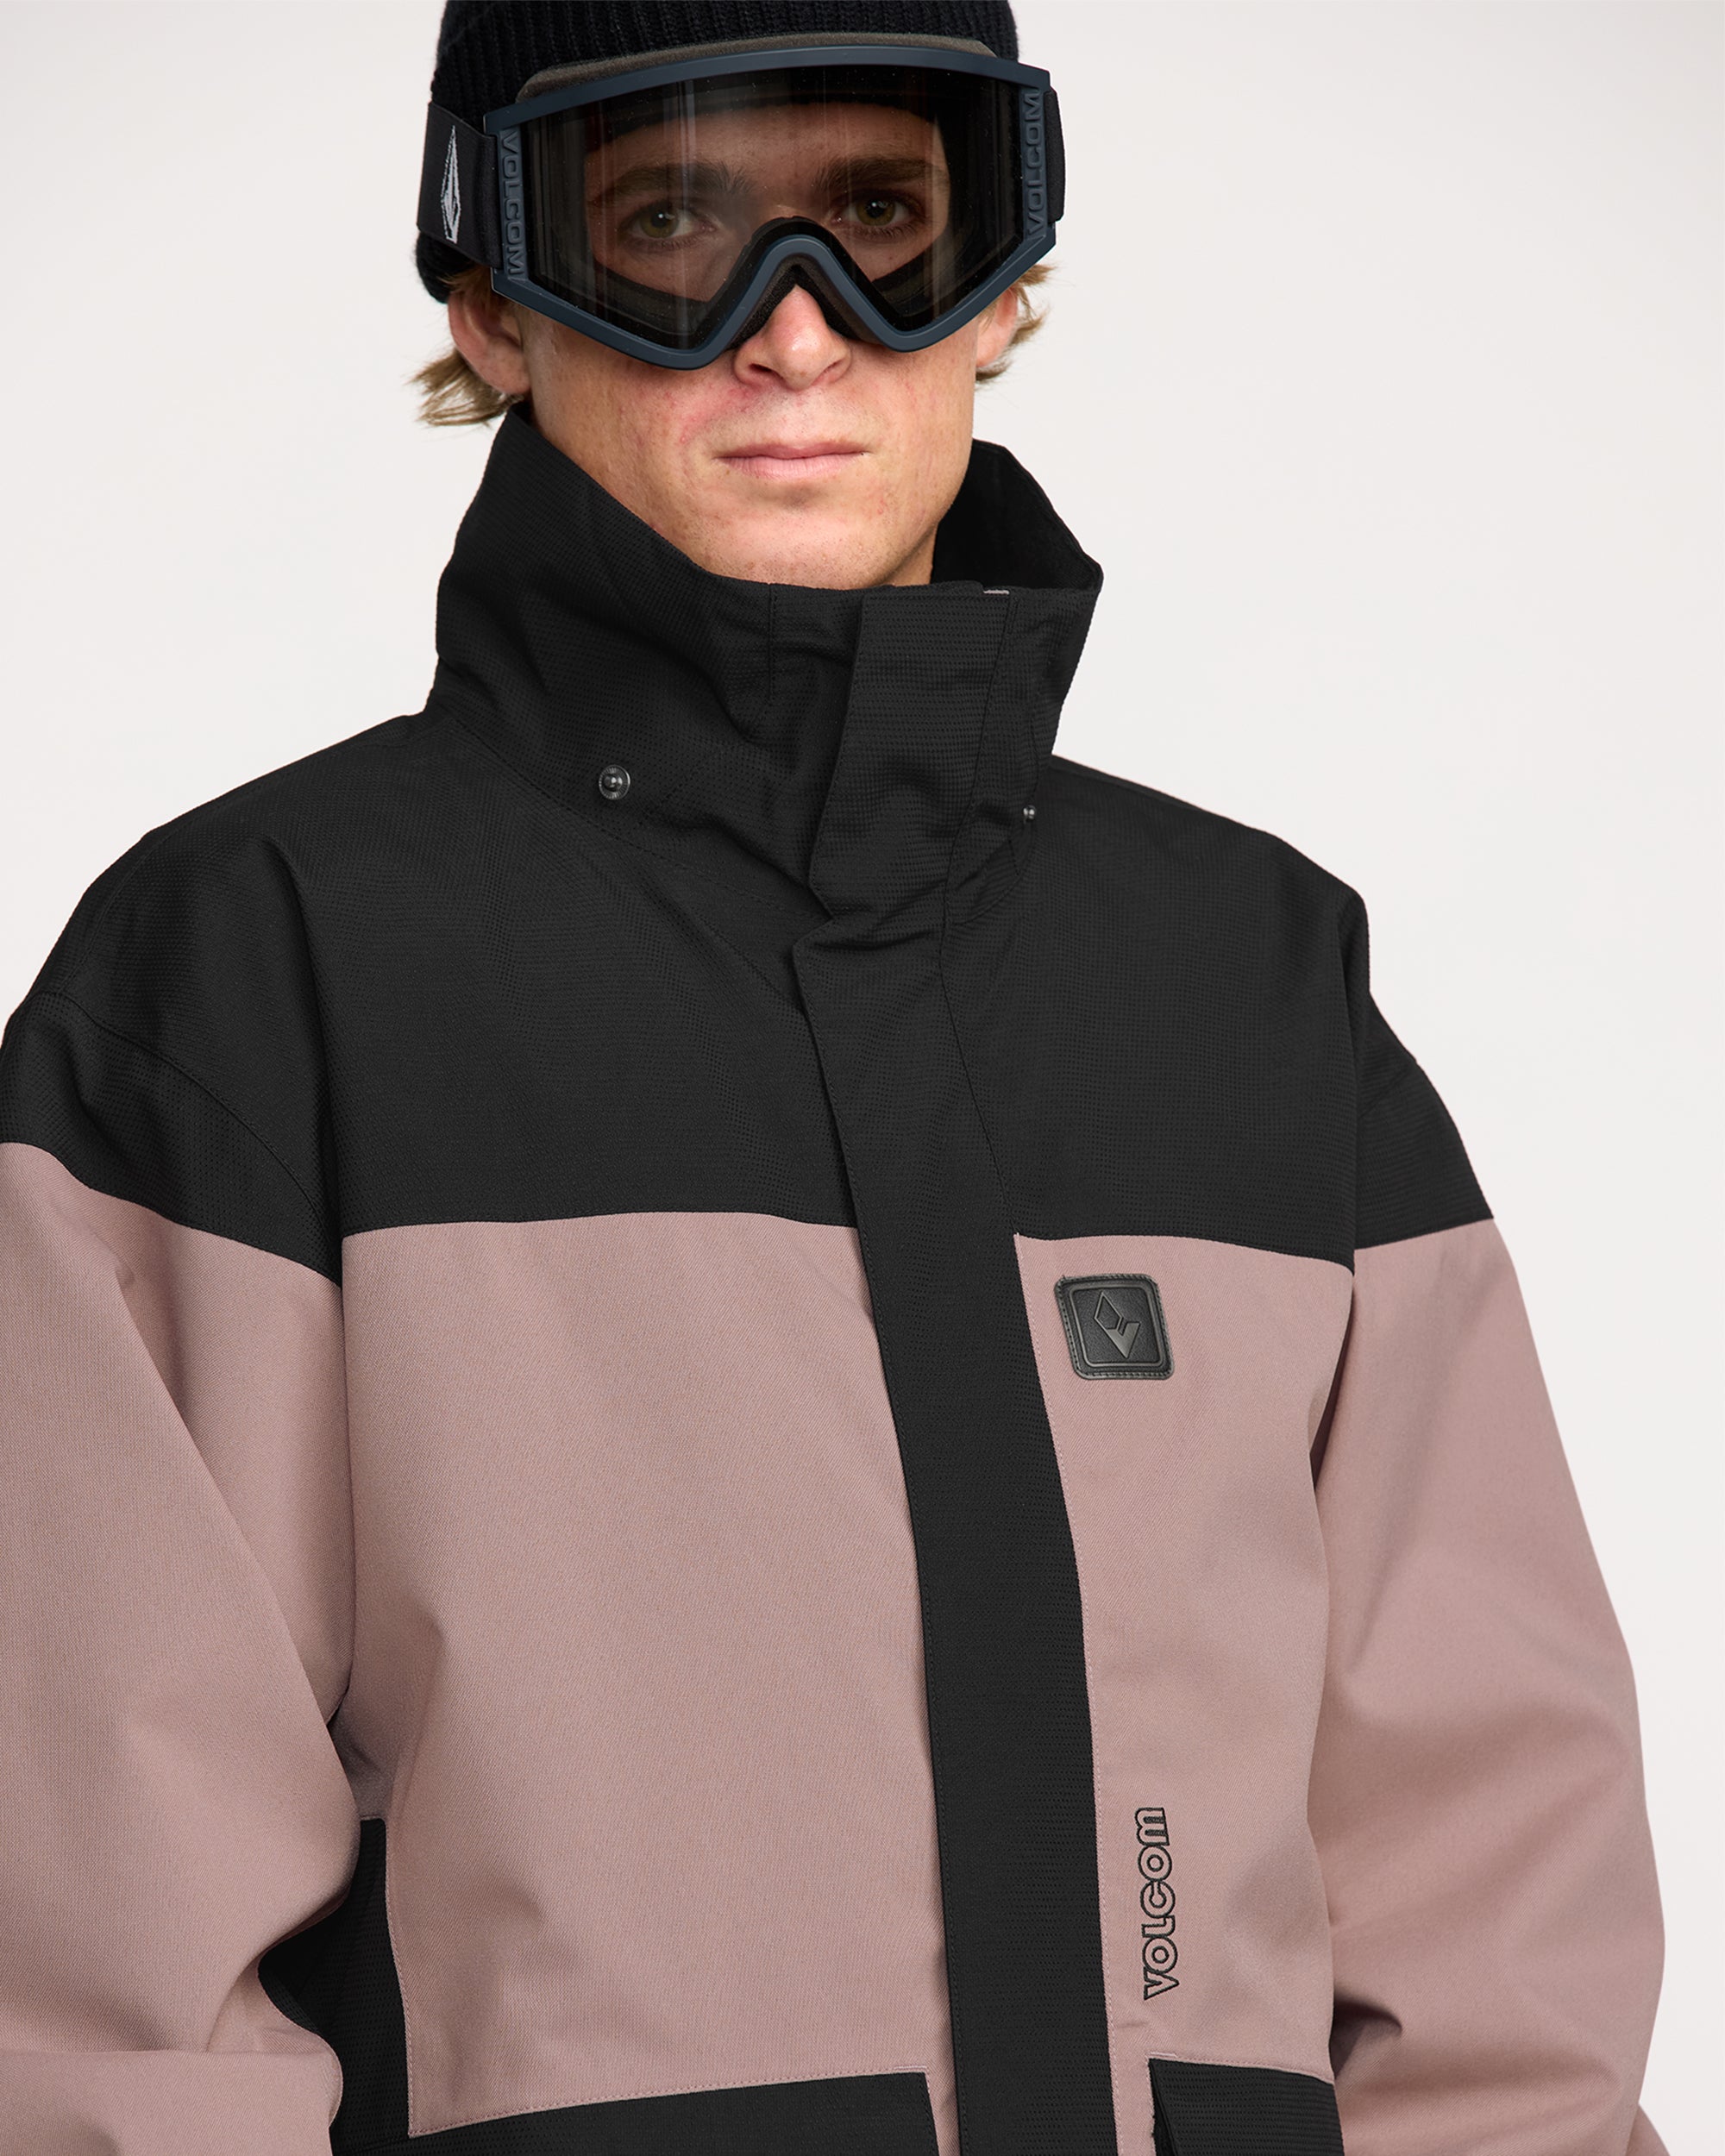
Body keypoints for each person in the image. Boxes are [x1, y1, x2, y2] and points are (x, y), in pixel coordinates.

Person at [0, 4, 1666, 2153]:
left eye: (885, 217)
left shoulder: (1247, 976)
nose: (798, 330)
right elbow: (96, 1990)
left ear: (1005, 282)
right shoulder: (256, 965)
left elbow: (1496, 1943)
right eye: (670, 226)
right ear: (494, 302)